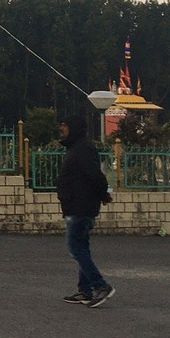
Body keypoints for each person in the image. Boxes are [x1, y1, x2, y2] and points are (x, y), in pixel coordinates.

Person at [57, 115, 114, 308]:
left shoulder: (83, 149)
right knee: (82, 248)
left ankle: (101, 286)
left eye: (65, 124)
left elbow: (95, 175)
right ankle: (86, 290)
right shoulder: (77, 148)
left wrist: (103, 194)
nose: (61, 128)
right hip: (77, 206)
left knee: (76, 248)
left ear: (74, 127)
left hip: (81, 207)